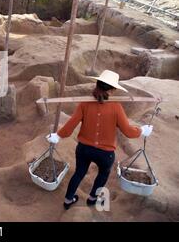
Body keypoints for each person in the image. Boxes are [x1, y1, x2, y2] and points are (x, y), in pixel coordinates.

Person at [46, 70, 154, 210]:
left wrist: (58, 135)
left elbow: (71, 124)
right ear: (113, 90)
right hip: (105, 153)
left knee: (79, 173)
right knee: (103, 174)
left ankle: (68, 200)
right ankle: (92, 198)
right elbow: (128, 131)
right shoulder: (116, 107)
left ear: (97, 84)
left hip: (84, 149)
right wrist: (142, 130)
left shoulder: (85, 104)